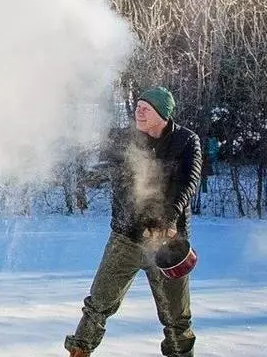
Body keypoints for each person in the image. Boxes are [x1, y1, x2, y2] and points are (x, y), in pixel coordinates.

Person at [64, 86, 203, 357]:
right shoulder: (124, 139)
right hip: (125, 239)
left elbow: (188, 182)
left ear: (162, 114)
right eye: (138, 106)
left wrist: (169, 218)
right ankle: (79, 352)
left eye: (145, 108)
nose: (138, 112)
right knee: (97, 306)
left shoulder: (186, 140)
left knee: (177, 318)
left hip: (167, 243)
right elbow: (113, 173)